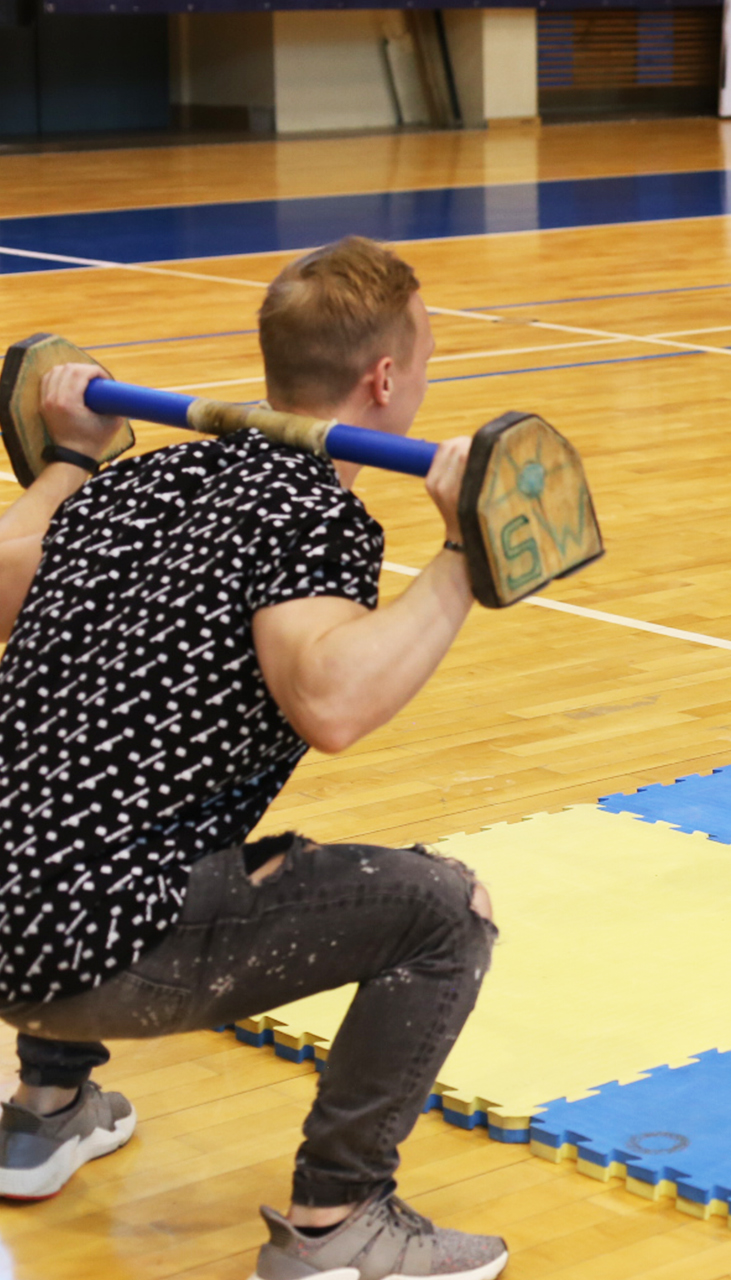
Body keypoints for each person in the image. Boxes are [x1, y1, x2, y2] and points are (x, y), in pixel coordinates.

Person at [0, 237, 508, 1280]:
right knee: (445, 910)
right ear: (385, 378)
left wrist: (67, 452)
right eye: (423, 357)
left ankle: (44, 1109)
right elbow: (330, 703)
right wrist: (465, 552)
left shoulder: (134, 481)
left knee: (121, 786)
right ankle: (338, 1221)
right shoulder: (314, 514)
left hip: (12, 912)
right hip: (90, 953)